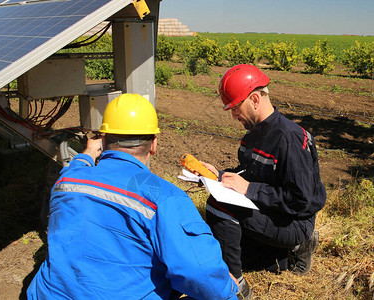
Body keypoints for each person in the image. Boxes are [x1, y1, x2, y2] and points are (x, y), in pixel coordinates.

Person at [27, 93, 239, 299]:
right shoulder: (164, 197)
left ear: (103, 139)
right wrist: (229, 288)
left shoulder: (67, 181)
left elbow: (75, 166)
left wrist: (88, 152)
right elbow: (198, 272)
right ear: (153, 144)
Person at [200, 64, 326, 292]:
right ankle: (276, 254)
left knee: (219, 206)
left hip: (294, 221)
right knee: (242, 255)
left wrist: (250, 190)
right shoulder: (254, 134)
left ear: (255, 100)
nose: (233, 116)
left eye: (235, 108)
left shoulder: (290, 139)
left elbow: (300, 201)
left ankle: (234, 285)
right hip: (271, 212)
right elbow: (250, 173)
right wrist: (216, 175)